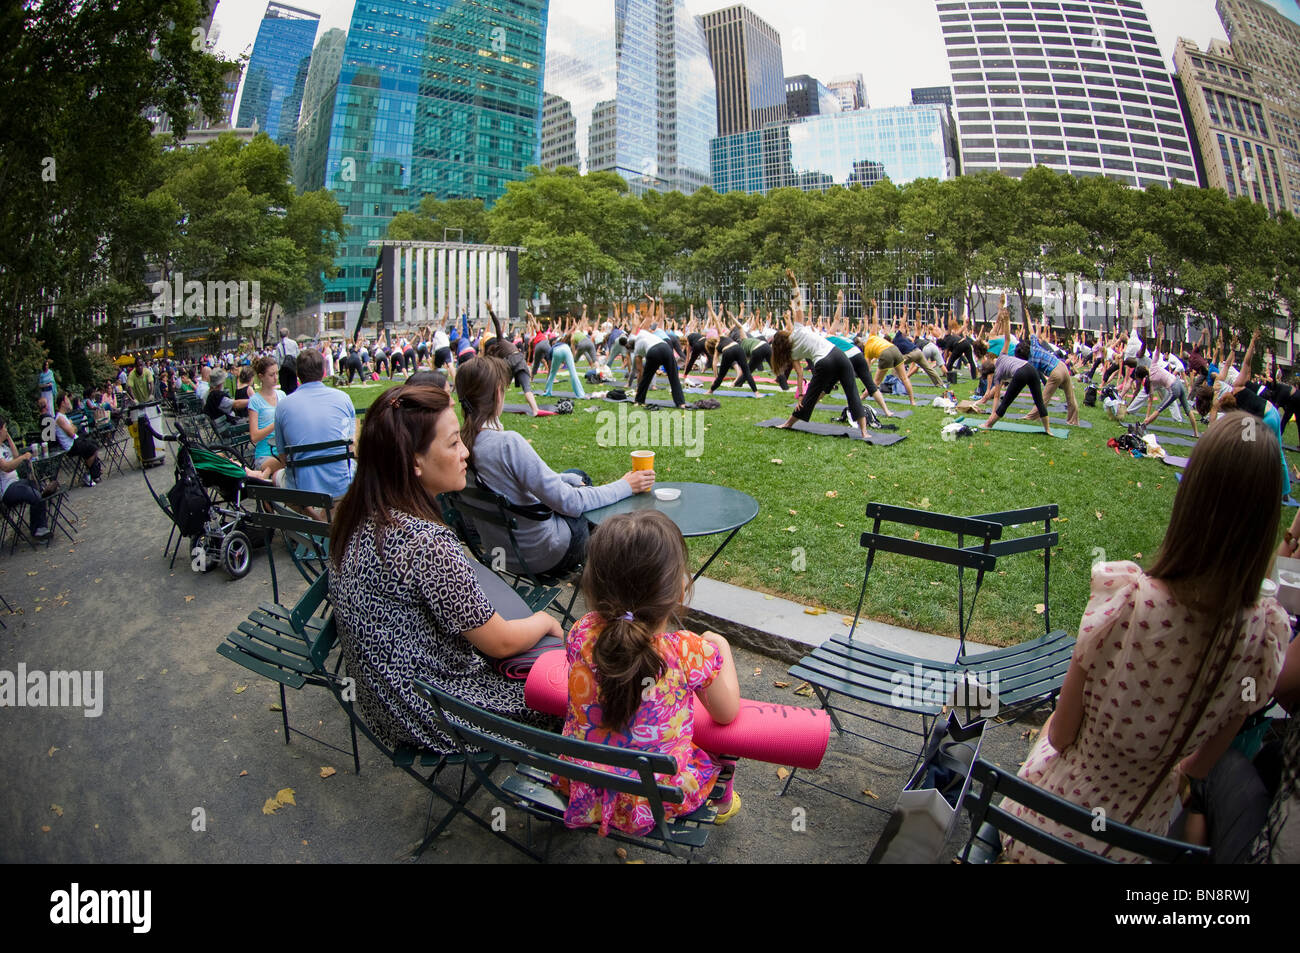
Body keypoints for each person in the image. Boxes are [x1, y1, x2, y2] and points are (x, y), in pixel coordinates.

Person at [1001, 412, 1290, 862]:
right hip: (1137, 847)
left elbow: (1059, 735)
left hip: (1044, 832)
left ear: (1191, 498)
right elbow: (1199, 767)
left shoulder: (1127, 601)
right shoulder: (1263, 639)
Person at [328, 384, 563, 755]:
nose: (465, 452)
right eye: (453, 443)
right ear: (414, 462)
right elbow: (500, 642)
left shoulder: (359, 514)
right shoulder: (424, 542)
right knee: (575, 694)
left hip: (388, 705)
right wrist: (546, 622)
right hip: (436, 715)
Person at [558, 510, 741, 835]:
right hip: (653, 800)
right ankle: (723, 800)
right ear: (679, 590)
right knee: (725, 742)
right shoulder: (687, 652)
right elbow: (727, 713)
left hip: (583, 783)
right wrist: (720, 645)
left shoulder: (581, 632)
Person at [456, 357, 654, 576]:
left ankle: (605, 561)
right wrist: (626, 485)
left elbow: (510, 483)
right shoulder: (506, 444)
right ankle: (610, 565)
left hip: (501, 555)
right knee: (583, 490)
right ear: (497, 393)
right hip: (542, 555)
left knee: (576, 476)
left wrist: (563, 479)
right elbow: (571, 503)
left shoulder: (461, 445)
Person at [771, 271, 873, 440]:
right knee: (852, 392)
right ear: (785, 335)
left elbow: (800, 375)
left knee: (812, 396)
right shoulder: (797, 329)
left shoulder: (791, 354)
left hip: (823, 362)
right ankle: (864, 432)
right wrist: (794, 281)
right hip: (838, 355)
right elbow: (798, 304)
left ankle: (788, 423)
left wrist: (801, 396)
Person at [266, 348, 356, 500]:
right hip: (341, 484)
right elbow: (351, 446)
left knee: (276, 477)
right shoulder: (344, 399)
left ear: (298, 374)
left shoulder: (283, 406)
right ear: (323, 370)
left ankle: (315, 518)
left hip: (302, 488)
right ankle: (327, 519)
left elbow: (283, 457)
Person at [0, 416, 51, 539]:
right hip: (7, 490)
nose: (7, 430)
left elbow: (16, 455)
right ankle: (37, 530)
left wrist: (8, 438)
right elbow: (6, 467)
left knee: (37, 487)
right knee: (33, 494)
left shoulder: (3, 447)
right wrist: (23, 458)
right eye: (5, 428)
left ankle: (41, 526)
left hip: (16, 483)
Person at [50, 393, 102, 487]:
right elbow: (72, 433)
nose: (69, 402)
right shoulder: (60, 418)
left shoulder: (64, 416)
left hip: (75, 441)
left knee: (93, 443)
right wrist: (71, 425)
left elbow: (74, 429)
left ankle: (93, 473)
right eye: (67, 400)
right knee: (92, 448)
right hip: (70, 446)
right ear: (62, 403)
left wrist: (71, 426)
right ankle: (88, 474)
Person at [247, 356, 284, 472]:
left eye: (277, 373)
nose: (275, 378)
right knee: (286, 464)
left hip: (283, 450)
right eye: (271, 375)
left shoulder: (282, 395)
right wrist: (275, 423)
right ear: (261, 377)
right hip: (265, 454)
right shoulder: (255, 401)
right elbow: (254, 437)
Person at [274, 327, 300, 395]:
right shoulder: (294, 343)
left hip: (283, 367)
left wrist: (278, 369)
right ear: (288, 334)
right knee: (293, 385)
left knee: (284, 387)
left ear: (280, 335)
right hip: (292, 366)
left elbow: (277, 359)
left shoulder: (279, 345)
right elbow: (298, 355)